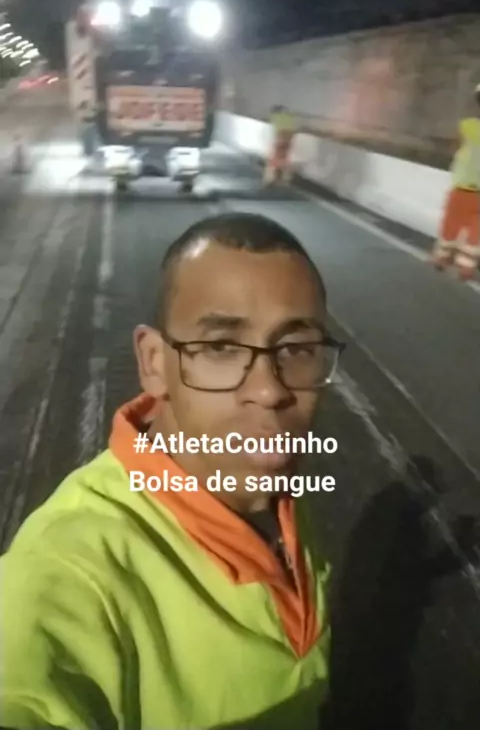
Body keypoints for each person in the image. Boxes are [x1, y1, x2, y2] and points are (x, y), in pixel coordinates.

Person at [0, 212, 344, 730]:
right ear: (154, 363)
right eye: (221, 348)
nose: (270, 390)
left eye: (297, 349)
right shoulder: (69, 568)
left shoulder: (269, 485)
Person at [431, 86, 480, 281]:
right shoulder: (466, 126)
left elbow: (452, 145)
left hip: (461, 187)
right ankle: (465, 266)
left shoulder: (466, 126)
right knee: (476, 231)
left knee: (451, 224)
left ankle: (443, 257)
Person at [264, 104, 297, 185]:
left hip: (284, 141)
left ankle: (284, 115)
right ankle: (280, 114)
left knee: (285, 131)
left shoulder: (282, 164)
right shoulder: (276, 163)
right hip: (284, 140)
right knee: (282, 130)